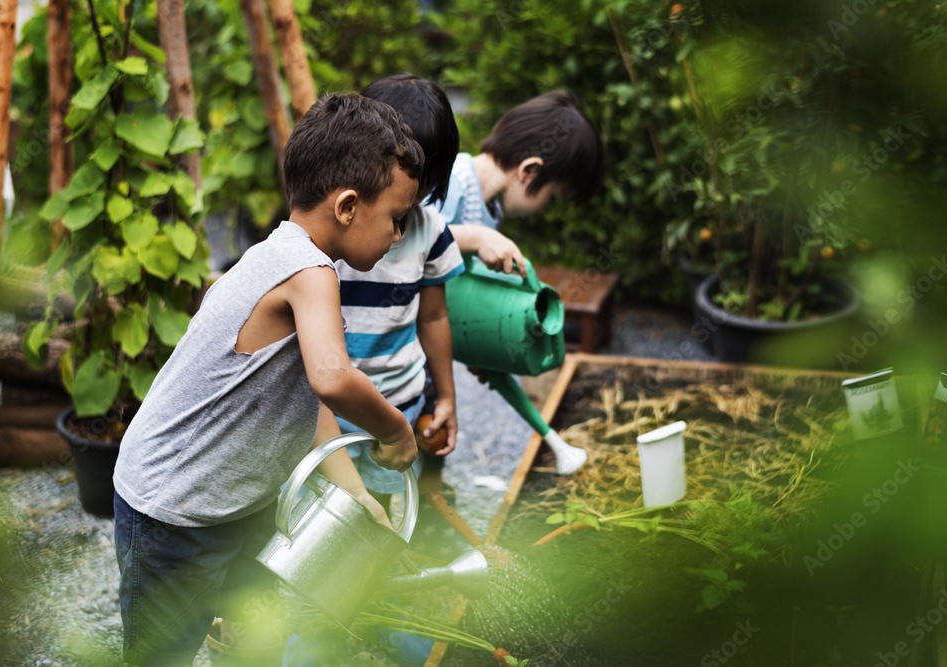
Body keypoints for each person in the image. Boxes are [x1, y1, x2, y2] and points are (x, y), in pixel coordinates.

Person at [111, 92, 423, 667]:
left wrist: (356, 494)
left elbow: (307, 402)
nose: (399, 236)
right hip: (172, 510)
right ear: (349, 206)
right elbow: (333, 378)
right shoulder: (308, 272)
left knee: (254, 638)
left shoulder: (285, 256)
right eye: (396, 219)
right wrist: (396, 428)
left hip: (235, 505)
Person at [334, 72, 463, 503]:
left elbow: (433, 315)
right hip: (328, 409)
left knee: (385, 509)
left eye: (423, 185)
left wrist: (445, 395)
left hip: (398, 402)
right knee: (324, 508)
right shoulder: (331, 229)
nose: (409, 198)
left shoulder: (431, 234)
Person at [437, 90, 605, 278]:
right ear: (529, 171)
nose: (544, 210)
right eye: (551, 198)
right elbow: (411, 235)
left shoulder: (492, 207)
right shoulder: (452, 180)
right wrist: (477, 238)